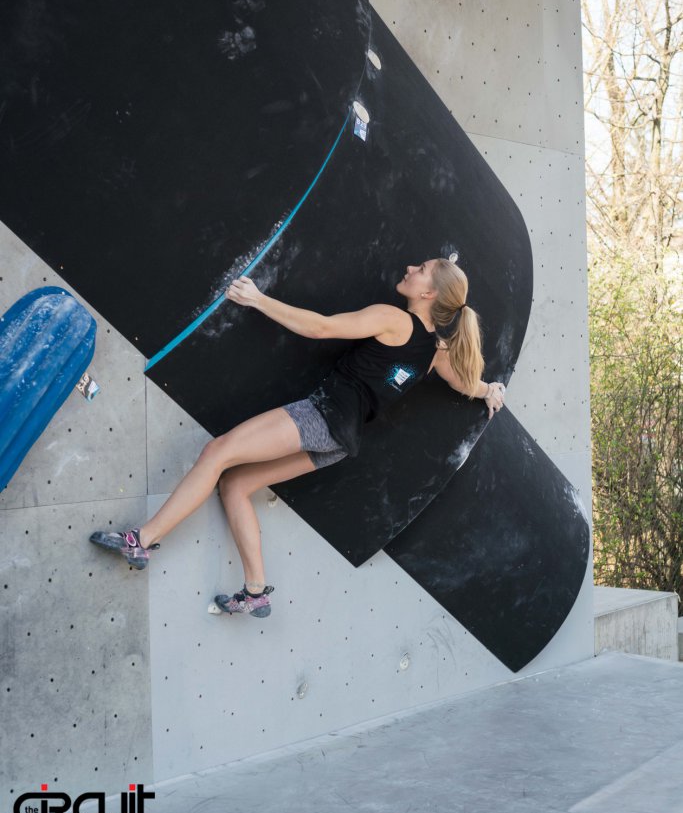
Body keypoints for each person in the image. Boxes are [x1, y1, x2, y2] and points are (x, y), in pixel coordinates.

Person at [90, 257, 505, 617]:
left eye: (422, 270)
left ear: (430, 293)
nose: (411, 269)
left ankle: (141, 541)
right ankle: (254, 591)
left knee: (218, 453)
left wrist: (258, 299)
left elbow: (322, 328)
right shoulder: (437, 351)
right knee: (235, 484)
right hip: (341, 443)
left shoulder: (396, 319)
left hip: (321, 418)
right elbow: (464, 382)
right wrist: (490, 392)